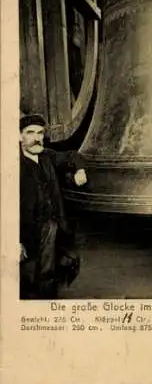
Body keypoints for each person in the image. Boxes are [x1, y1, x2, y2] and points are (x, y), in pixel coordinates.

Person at [19, 113, 88, 299]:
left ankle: (46, 307)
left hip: (51, 226)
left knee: (48, 275)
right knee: (25, 280)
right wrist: (14, 241)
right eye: (30, 133)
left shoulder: (47, 156)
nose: (36, 138)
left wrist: (80, 170)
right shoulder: (12, 165)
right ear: (20, 136)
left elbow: (73, 156)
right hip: (27, 232)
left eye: (40, 133)